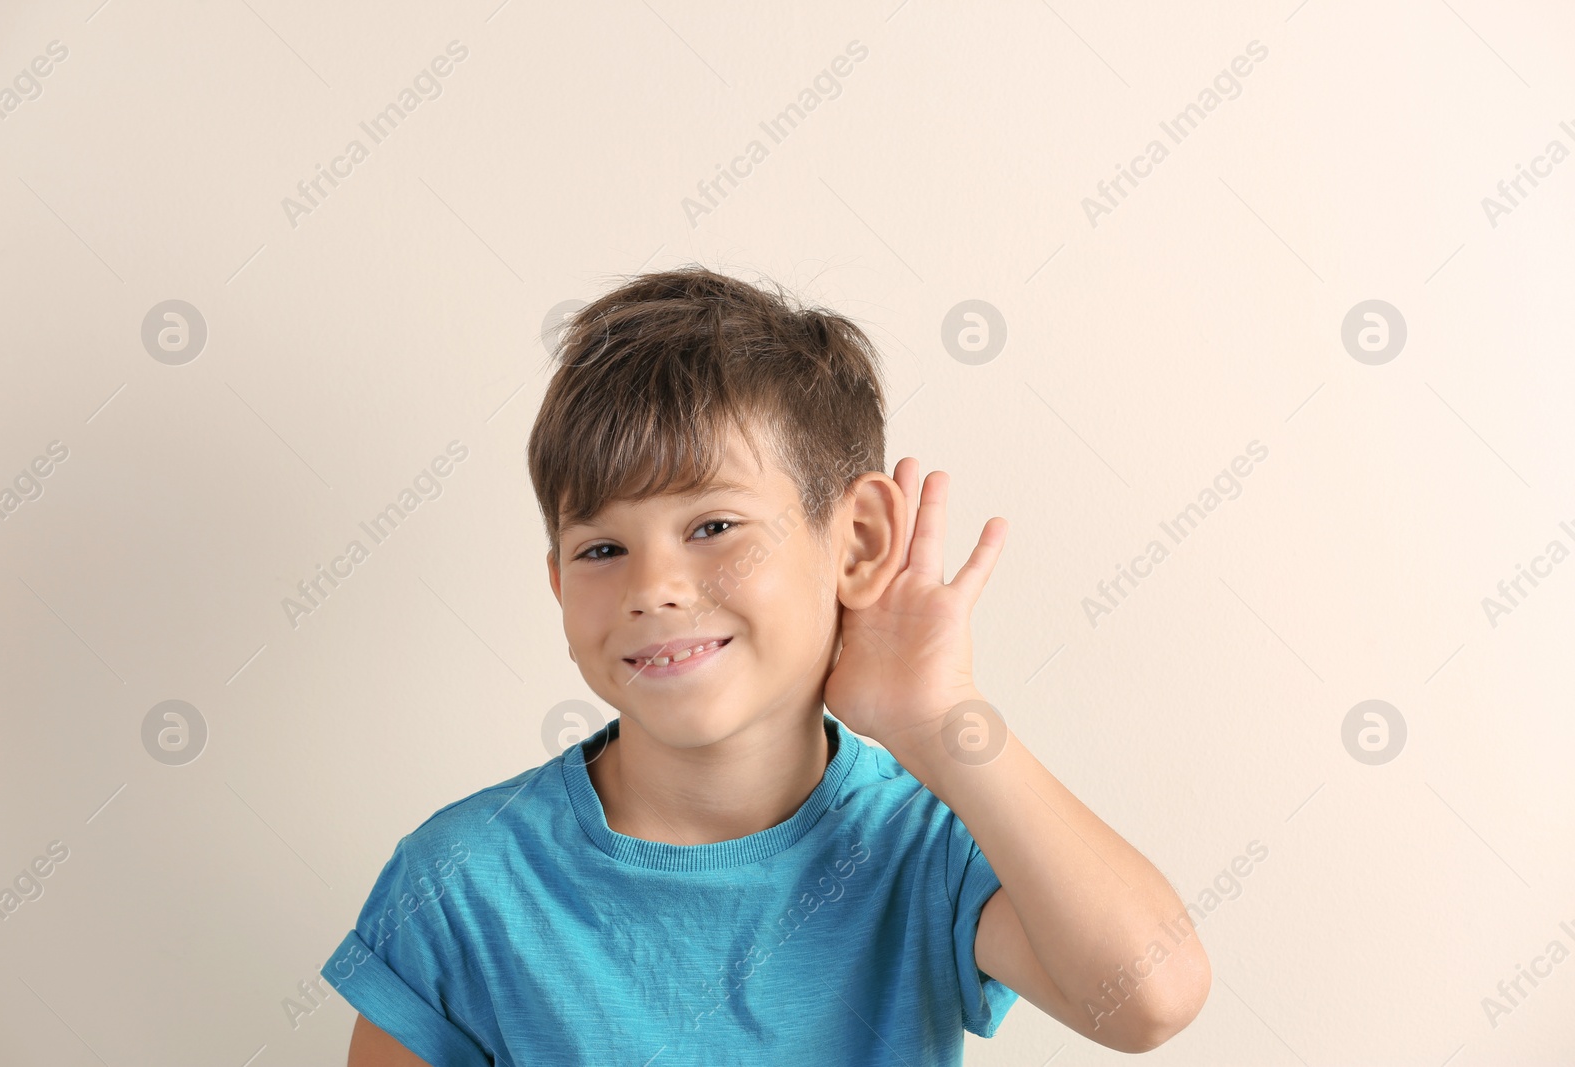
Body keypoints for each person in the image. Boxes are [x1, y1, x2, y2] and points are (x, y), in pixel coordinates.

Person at [322, 266, 1211, 1065]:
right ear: (557, 581)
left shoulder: (920, 846)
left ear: (858, 540)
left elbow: (1150, 1001)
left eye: (712, 527)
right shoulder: (463, 879)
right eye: (601, 549)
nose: (655, 587)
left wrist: (941, 719)